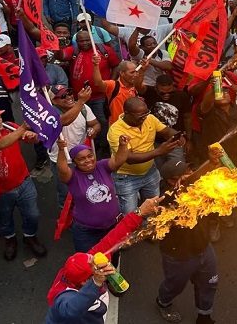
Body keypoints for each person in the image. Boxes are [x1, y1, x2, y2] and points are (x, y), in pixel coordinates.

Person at [45, 196, 163, 324]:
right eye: (95, 268)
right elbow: (71, 311)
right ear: (85, 282)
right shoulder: (63, 298)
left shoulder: (87, 262)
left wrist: (140, 212)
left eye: (91, 258)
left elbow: (114, 237)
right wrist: (96, 283)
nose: (96, 259)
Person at [155, 147, 225, 324]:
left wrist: (214, 164)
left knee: (209, 283)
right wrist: (210, 163)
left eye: (189, 170)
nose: (190, 173)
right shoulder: (166, 198)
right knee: (175, 286)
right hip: (178, 255)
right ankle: (163, 302)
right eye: (185, 173)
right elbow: (189, 182)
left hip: (203, 248)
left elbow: (202, 181)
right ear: (172, 181)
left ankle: (204, 316)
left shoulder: (195, 189)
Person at [0, 106, 48, 260]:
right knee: (5, 219)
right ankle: (10, 239)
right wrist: (22, 129)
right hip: (1, 190)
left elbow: (31, 138)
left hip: (24, 181)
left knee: (32, 214)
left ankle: (29, 236)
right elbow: (0, 145)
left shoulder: (10, 126)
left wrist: (32, 136)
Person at [107, 97, 183, 214]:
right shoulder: (116, 131)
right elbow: (129, 158)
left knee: (153, 210)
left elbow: (166, 131)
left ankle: (149, 230)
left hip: (150, 172)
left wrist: (177, 136)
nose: (145, 117)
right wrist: (159, 151)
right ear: (127, 113)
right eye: (140, 116)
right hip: (127, 178)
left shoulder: (149, 118)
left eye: (146, 113)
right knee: (131, 215)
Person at [57, 139, 130, 252]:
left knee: (112, 258)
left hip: (112, 226)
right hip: (86, 232)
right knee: (89, 262)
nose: (87, 160)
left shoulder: (102, 166)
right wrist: (61, 150)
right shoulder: (72, 176)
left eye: (90, 156)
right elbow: (62, 169)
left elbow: (118, 161)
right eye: (81, 159)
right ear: (74, 162)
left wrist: (123, 145)